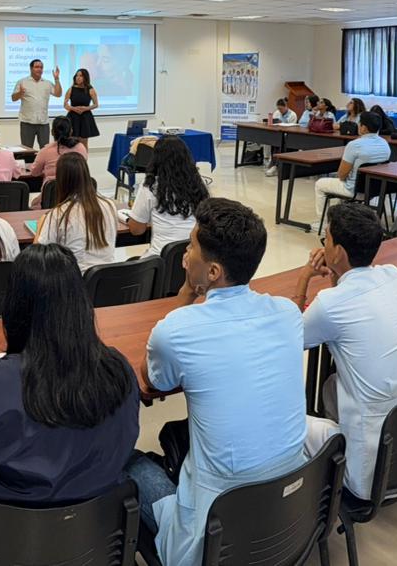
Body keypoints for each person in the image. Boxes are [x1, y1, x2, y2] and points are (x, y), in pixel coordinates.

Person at [0, 245, 139, 566]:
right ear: (81, 302)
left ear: (14, 307)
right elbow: (125, 447)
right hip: (93, 542)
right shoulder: (119, 371)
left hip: (5, 548)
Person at [126, 198, 306, 566]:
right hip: (290, 513)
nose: (185, 254)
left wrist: (185, 294)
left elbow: (151, 378)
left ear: (213, 271)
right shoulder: (288, 313)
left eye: (191, 246)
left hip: (214, 536)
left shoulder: (178, 330)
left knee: (130, 463)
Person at [290, 203, 397, 497]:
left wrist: (304, 277)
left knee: (284, 423)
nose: (323, 245)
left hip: (371, 478)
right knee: (332, 385)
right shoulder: (391, 275)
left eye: (326, 239)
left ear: (338, 252)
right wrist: (335, 274)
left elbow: (290, 340)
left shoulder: (329, 304)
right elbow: (346, 295)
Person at [35, 154, 117, 273]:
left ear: (61, 180)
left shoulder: (58, 214)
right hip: (107, 277)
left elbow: (39, 257)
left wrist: (41, 225)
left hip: (74, 280)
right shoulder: (109, 205)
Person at [127, 136, 208, 256]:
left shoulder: (151, 186)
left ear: (155, 159)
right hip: (193, 257)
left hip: (161, 258)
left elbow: (136, 230)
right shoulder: (199, 184)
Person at [314, 112, 391, 224]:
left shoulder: (354, 145)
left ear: (364, 128)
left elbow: (341, 175)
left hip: (355, 190)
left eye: (359, 123)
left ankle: (325, 223)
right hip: (376, 189)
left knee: (320, 184)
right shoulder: (385, 144)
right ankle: (343, 218)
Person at [30, 116, 88, 198]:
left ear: (52, 132)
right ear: (71, 131)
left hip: (51, 198)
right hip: (77, 197)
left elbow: (34, 172)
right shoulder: (81, 148)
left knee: (33, 203)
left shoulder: (45, 151)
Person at [12, 58, 62, 149]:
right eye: (37, 67)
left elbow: (58, 94)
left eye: (41, 67)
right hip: (27, 122)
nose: (39, 69)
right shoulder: (22, 82)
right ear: (31, 68)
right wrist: (20, 93)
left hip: (43, 122)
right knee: (26, 150)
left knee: (45, 150)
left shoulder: (47, 83)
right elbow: (13, 98)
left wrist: (57, 79)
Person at [63, 67, 100, 146]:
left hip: (85, 117)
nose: (78, 78)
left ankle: (83, 154)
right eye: (77, 75)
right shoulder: (71, 89)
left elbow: (96, 104)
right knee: (71, 141)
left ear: (85, 77)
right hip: (73, 117)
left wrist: (86, 108)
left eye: (81, 76)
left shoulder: (90, 90)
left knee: (83, 142)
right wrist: (73, 108)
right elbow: (65, 104)